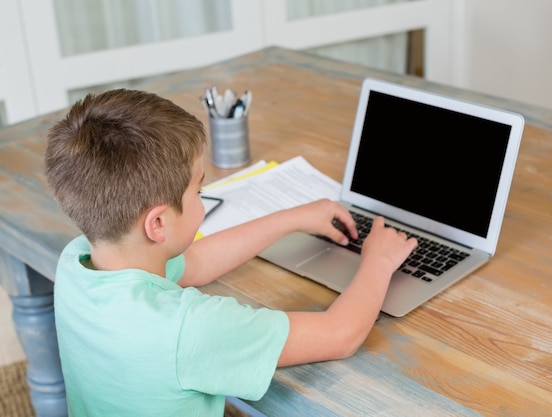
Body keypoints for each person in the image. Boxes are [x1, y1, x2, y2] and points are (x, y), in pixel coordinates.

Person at [44, 89, 417, 417]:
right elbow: (340, 334)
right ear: (157, 224)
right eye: (199, 192)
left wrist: (291, 218)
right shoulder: (189, 329)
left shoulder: (77, 262)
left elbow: (198, 262)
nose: (201, 200)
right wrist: (380, 260)